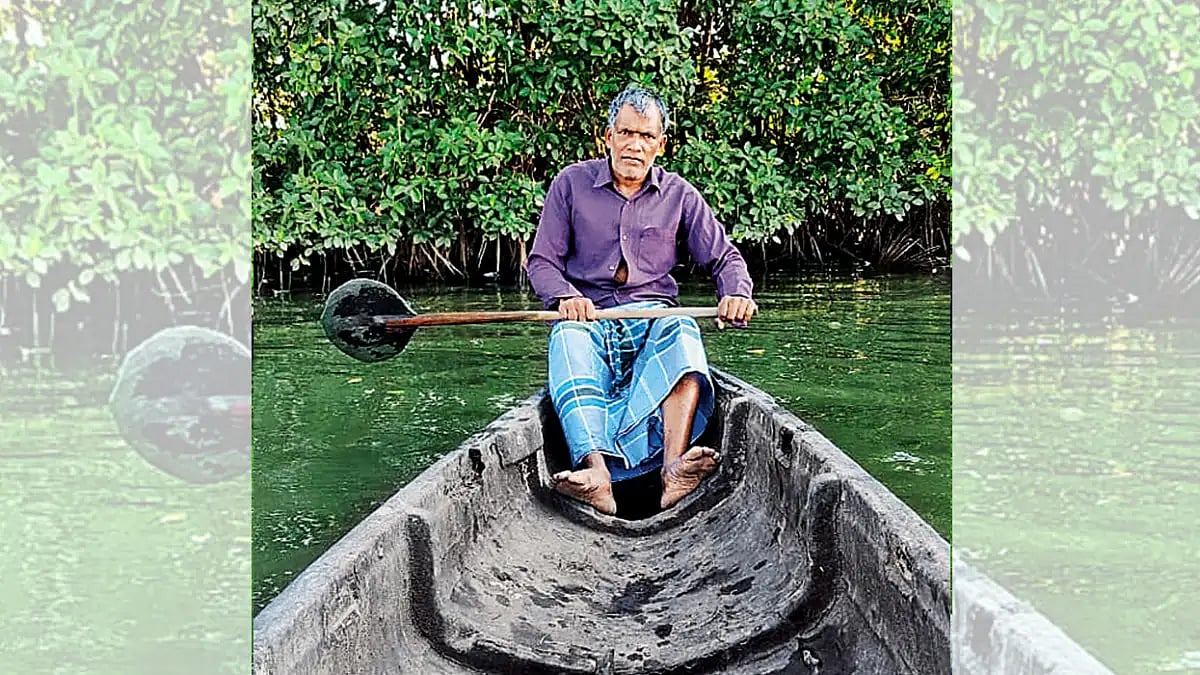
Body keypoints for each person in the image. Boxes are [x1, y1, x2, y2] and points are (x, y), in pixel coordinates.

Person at [526, 85, 757, 515]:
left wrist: (736, 295)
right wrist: (565, 297)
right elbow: (541, 262)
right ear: (608, 137)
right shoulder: (571, 184)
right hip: (588, 317)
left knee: (681, 328)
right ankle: (596, 472)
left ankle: (673, 467)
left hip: (650, 317)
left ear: (660, 144)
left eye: (646, 136)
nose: (635, 145)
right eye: (626, 132)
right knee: (567, 338)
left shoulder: (679, 194)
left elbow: (724, 257)